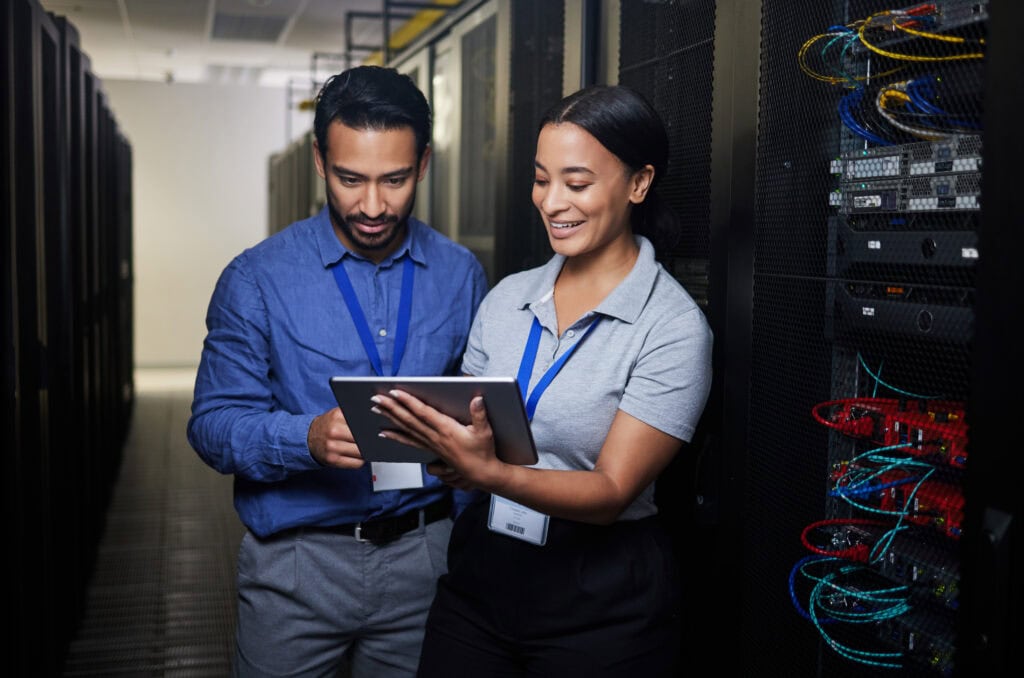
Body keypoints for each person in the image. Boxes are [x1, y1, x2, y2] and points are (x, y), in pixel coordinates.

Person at [370, 84, 714, 677]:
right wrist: (437, 447)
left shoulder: (673, 327)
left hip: (602, 598)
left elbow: (610, 493)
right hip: (483, 576)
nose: (553, 202)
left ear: (638, 183)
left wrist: (490, 473)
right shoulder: (507, 298)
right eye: (541, 179)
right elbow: (468, 420)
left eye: (576, 184)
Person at [186, 65, 489, 678]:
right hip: (296, 567)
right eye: (351, 179)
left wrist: (463, 542)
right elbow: (213, 425)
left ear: (423, 165)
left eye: (395, 180)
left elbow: (478, 420)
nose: (373, 205)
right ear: (322, 161)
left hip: (425, 560)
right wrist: (306, 438)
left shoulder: (461, 275)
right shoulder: (256, 279)